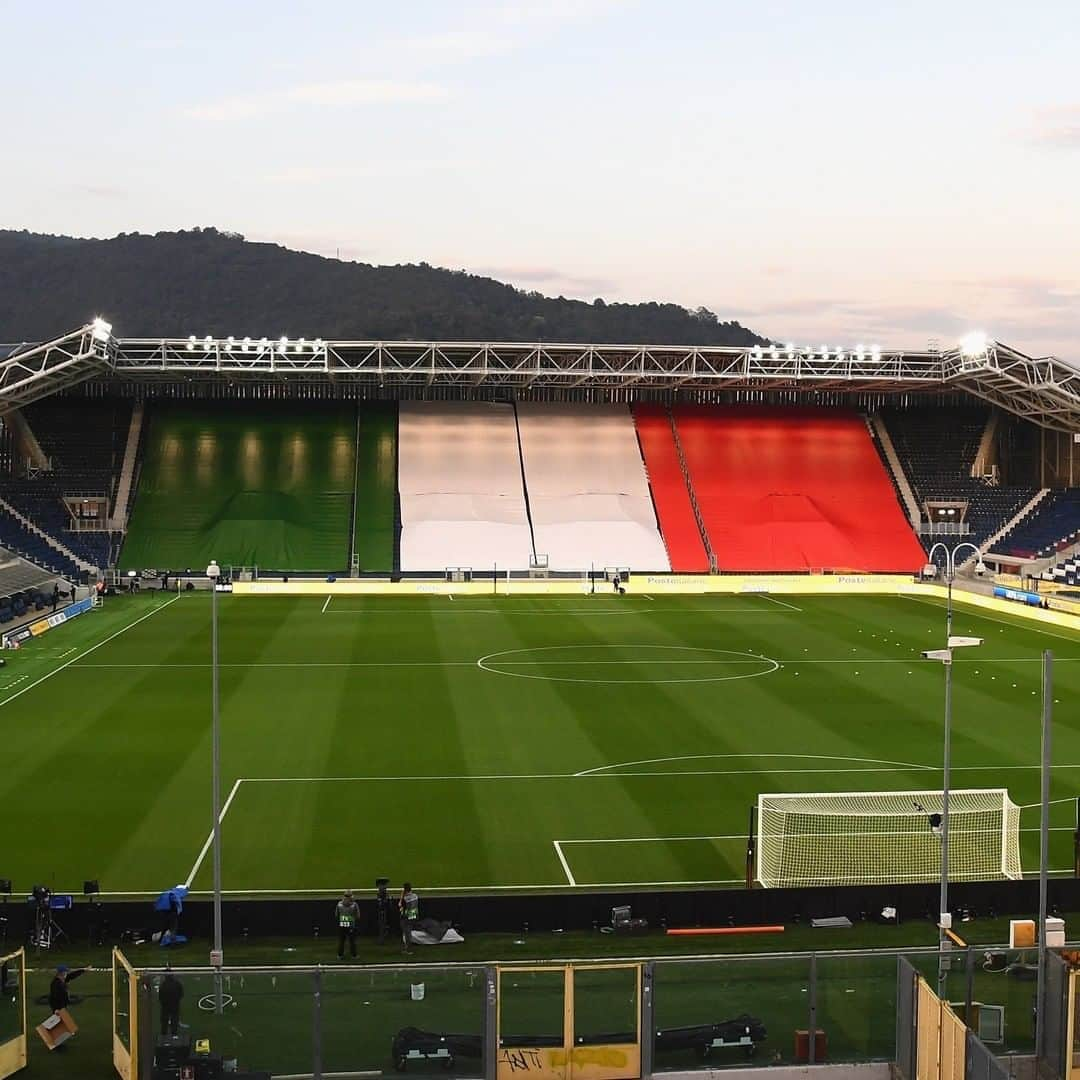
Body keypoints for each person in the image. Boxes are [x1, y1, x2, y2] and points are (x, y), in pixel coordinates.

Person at [335, 890, 360, 959]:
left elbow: (336, 915)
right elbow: (358, 916)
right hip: (351, 925)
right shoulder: (354, 904)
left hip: (342, 924)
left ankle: (340, 955)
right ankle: (354, 955)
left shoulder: (339, 904)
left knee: (341, 940)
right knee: (352, 941)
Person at [159, 970, 184, 1036]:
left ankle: (164, 1034)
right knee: (174, 1018)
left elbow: (160, 996)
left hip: (165, 1005)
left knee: (165, 1019)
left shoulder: (163, 985)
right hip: (175, 1004)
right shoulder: (177, 984)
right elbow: (181, 994)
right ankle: (174, 1034)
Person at [399, 883, 419, 954]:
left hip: (406, 917)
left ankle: (408, 949)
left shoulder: (405, 898)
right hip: (414, 915)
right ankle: (408, 948)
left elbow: (400, 906)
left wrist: (401, 897)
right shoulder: (415, 896)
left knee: (407, 933)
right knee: (409, 932)